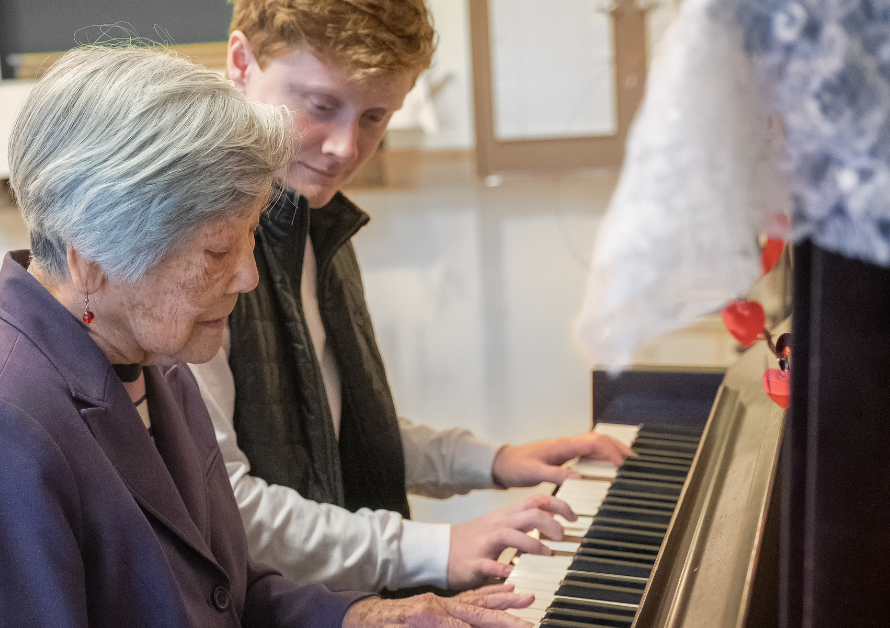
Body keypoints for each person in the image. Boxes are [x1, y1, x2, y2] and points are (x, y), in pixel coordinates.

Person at [0, 46, 537, 628]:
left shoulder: (151, 359)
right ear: (92, 257)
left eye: (250, 235)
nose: (248, 276)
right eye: (217, 249)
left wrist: (366, 616)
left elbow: (226, 591)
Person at [187, 0, 635, 593]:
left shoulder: (314, 219)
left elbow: (339, 430)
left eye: (375, 116)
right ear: (241, 61)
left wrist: (491, 461)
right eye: (321, 106)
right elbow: (225, 506)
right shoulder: (193, 243)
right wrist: (436, 547)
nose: (346, 148)